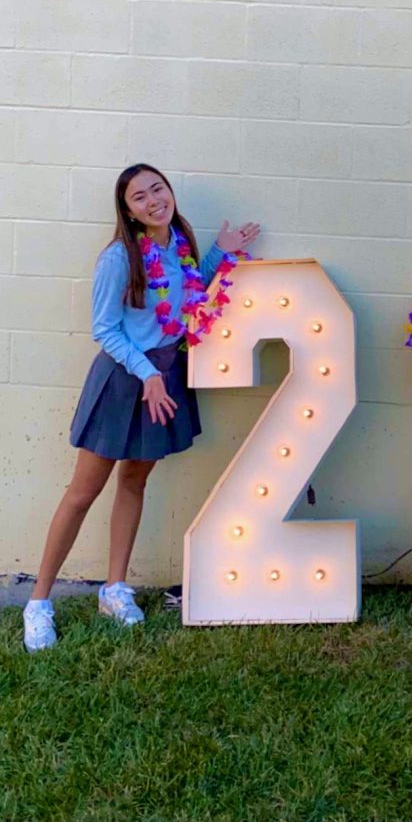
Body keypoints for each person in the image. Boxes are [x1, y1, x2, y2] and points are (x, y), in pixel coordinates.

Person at [23, 163, 260, 652]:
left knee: (135, 480)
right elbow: (105, 330)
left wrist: (220, 253)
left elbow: (186, 294)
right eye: (139, 197)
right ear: (127, 211)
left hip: (166, 376)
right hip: (125, 379)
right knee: (83, 492)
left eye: (158, 188)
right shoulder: (118, 258)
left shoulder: (179, 246)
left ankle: (114, 590)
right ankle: (39, 602)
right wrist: (147, 373)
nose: (154, 200)